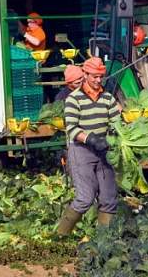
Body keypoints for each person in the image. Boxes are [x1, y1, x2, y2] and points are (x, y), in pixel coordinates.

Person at [57, 57, 120, 236]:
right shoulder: (73, 99)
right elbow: (72, 128)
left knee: (109, 198)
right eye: (94, 77)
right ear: (85, 74)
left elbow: (116, 122)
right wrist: (91, 139)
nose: (98, 80)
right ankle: (61, 235)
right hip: (82, 150)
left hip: (104, 151)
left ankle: (103, 239)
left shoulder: (108, 98)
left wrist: (115, 136)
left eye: (101, 77)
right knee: (85, 198)